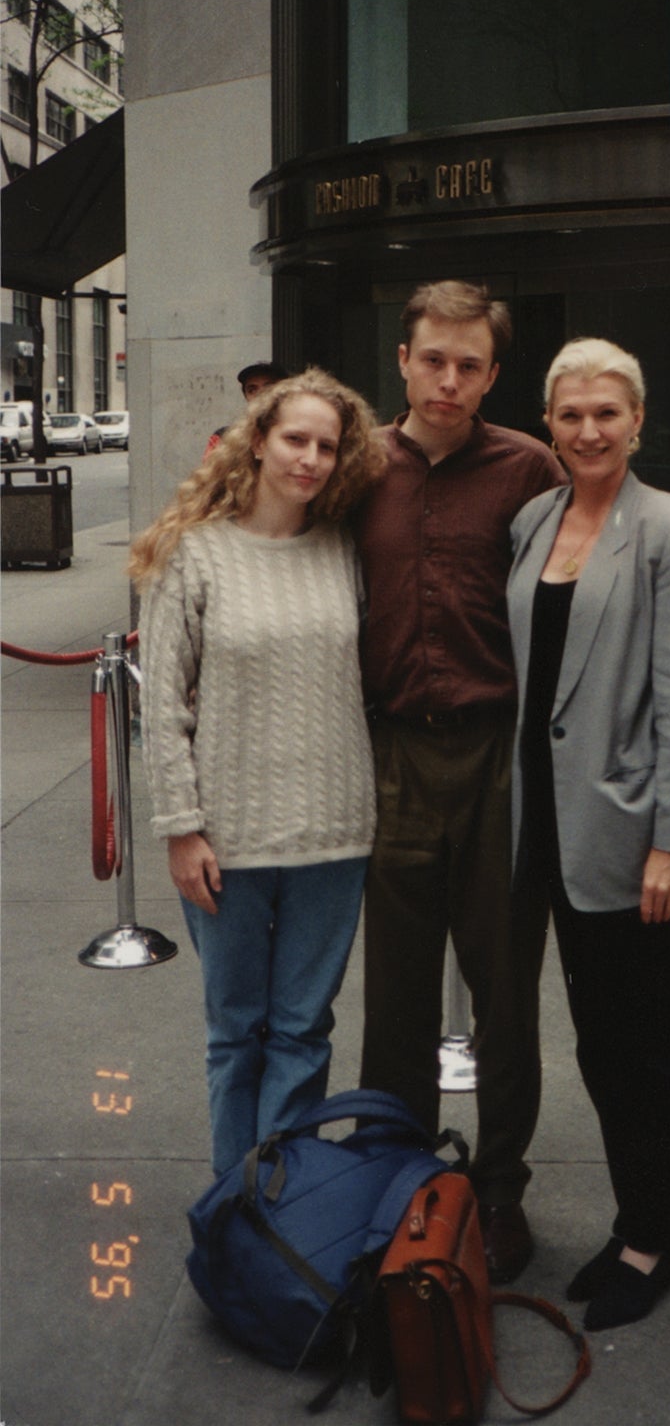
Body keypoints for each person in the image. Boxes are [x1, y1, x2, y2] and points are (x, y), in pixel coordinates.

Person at [507, 338, 670, 1331]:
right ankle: (634, 1213)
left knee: (657, 1051)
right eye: (571, 415)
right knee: (602, 1046)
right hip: (556, 838)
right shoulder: (533, 519)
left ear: (638, 421)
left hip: (648, 844)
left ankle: (657, 1237)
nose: (590, 430)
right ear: (549, 424)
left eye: (608, 413)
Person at [351, 280, 565, 1284]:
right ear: (402, 357)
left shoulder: (532, 469)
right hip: (390, 755)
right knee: (392, 997)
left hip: (498, 758)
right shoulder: (356, 465)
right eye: (432, 357)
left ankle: (501, 1192)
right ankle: (394, 1188)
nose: (448, 379)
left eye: (469, 363)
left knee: (505, 996)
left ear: (492, 370)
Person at [131, 368, 387, 1177]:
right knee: (236, 1033)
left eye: (326, 445)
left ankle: (281, 1209)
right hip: (227, 842)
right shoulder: (195, 554)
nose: (309, 458)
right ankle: (231, 1213)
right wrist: (181, 829)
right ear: (259, 442)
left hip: (334, 836)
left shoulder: (345, 548)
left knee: (304, 1032)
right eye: (294, 439)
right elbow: (161, 706)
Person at [205, 361, 289, 457]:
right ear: (246, 396)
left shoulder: (298, 432)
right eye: (252, 390)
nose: (260, 394)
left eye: (268, 387)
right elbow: (210, 471)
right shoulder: (224, 438)